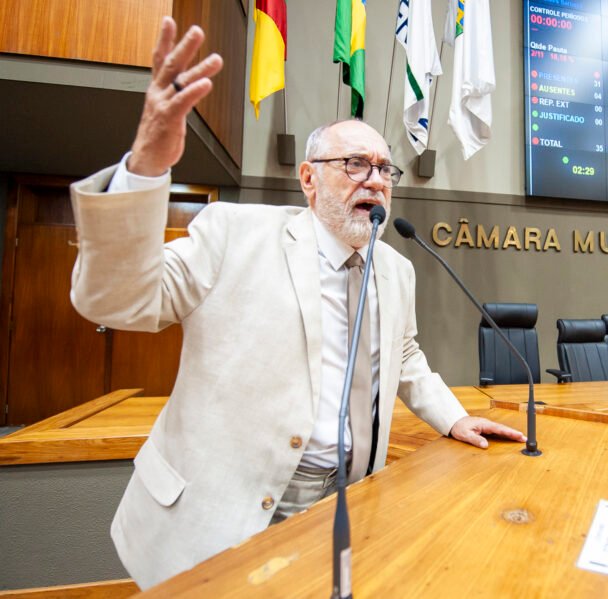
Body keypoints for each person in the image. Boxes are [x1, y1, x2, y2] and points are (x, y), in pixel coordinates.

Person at [69, 19, 525, 589]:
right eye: (354, 164)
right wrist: (145, 169)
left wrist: (452, 416)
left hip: (352, 500)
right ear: (308, 179)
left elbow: (405, 356)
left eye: (385, 169)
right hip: (228, 514)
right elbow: (117, 301)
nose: (376, 181)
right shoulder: (232, 233)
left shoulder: (396, 267)